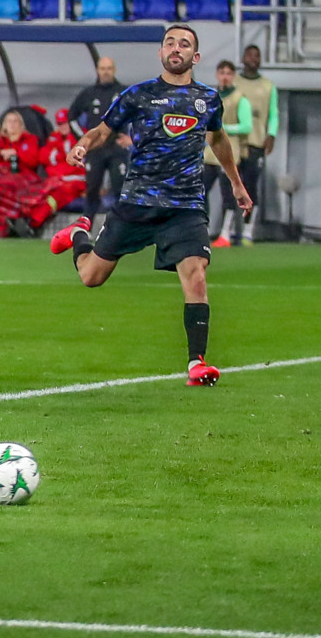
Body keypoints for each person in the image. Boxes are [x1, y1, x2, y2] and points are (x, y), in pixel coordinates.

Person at [49, 26, 252, 386]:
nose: (177, 49)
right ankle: (79, 234)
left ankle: (196, 363)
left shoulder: (207, 99)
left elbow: (218, 138)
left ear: (195, 57)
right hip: (137, 202)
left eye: (185, 44)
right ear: (161, 53)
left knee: (196, 274)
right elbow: (101, 130)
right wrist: (82, 145)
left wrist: (236, 184)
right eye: (170, 43)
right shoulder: (138, 95)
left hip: (185, 205)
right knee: (91, 277)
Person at [200, 60, 253, 248]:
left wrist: (222, 128)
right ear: (216, 75)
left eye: (228, 73)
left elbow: (247, 126)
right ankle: (202, 230)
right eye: (221, 72)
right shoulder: (210, 96)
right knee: (201, 190)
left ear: (233, 76)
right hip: (210, 152)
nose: (224, 76)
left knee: (228, 194)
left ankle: (225, 233)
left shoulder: (240, 98)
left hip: (230, 151)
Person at [229, 43, 280, 234]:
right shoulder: (234, 83)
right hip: (235, 143)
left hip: (256, 142)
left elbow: (274, 114)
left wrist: (272, 134)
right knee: (233, 188)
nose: (253, 59)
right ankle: (232, 228)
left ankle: (249, 229)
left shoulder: (268, 86)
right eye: (250, 55)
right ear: (243, 59)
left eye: (257, 56)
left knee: (251, 187)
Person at [69, 56, 126, 220]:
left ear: (114, 70)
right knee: (92, 188)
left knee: (120, 189)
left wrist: (131, 138)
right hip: (96, 149)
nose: (106, 72)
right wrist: (84, 139)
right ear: (97, 70)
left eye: (109, 68)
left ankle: (120, 227)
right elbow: (72, 116)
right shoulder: (89, 93)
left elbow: (139, 116)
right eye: (103, 68)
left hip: (117, 148)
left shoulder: (123, 92)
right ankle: (86, 227)